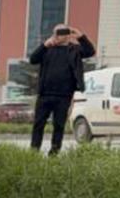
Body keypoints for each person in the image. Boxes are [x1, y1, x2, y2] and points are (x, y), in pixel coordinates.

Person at [29, 24, 96, 156]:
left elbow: (90, 51)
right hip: (44, 94)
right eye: (57, 33)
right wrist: (45, 45)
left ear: (68, 34)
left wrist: (80, 36)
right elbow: (33, 59)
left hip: (64, 95)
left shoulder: (74, 50)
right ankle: (34, 151)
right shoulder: (47, 49)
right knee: (38, 124)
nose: (59, 35)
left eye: (63, 32)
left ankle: (54, 152)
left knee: (59, 125)